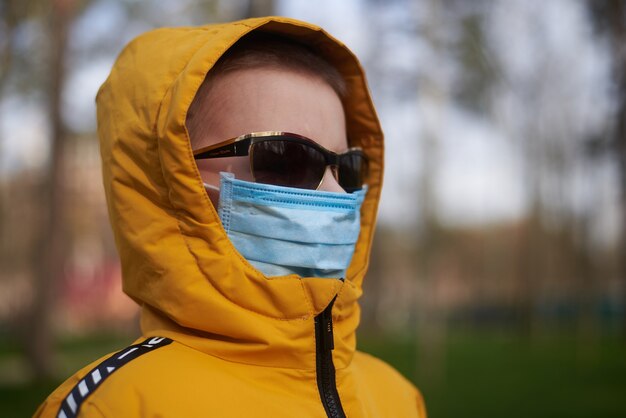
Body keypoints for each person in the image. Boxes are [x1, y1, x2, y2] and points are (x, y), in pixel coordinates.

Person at [34, 16, 427, 418]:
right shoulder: (113, 407)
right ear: (174, 179)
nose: (337, 193)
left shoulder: (398, 397)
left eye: (347, 168)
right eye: (286, 158)